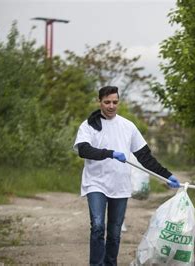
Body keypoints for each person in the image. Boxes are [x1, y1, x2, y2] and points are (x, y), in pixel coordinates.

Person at [73, 86, 180, 265]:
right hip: (95, 183)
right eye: (107, 102)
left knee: (114, 232)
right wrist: (109, 153)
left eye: (115, 102)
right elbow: (83, 150)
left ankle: (110, 263)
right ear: (99, 102)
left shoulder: (128, 126)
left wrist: (167, 176)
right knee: (98, 226)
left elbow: (145, 157)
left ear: (118, 102)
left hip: (120, 185)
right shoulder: (89, 125)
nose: (111, 106)